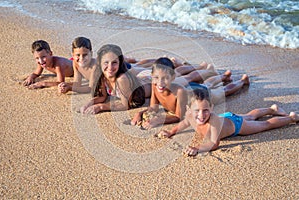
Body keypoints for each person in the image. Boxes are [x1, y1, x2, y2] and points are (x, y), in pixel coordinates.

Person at [157, 87, 298, 156]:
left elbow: (214, 143)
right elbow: (183, 124)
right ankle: (271, 109)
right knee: (250, 115)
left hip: (237, 126)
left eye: (205, 110)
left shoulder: (213, 121)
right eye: (196, 111)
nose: (201, 115)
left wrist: (197, 148)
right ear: (189, 109)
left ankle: (291, 118)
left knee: (264, 125)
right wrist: (171, 132)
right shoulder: (190, 116)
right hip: (227, 117)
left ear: (211, 108)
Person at [80, 44, 145, 114]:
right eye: (106, 62)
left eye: (114, 62)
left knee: (143, 67)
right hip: (139, 77)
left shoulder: (122, 79)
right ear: (100, 63)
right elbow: (103, 96)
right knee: (138, 66)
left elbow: (125, 105)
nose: (110, 67)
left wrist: (101, 107)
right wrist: (89, 104)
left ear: (120, 63)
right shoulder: (103, 75)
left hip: (149, 80)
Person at [131, 57, 188, 129]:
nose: (160, 83)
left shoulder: (179, 92)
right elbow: (154, 107)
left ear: (173, 77)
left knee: (194, 78)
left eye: (165, 78)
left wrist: (159, 120)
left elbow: (178, 117)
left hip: (198, 92)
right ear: (151, 76)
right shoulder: (155, 85)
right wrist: (140, 114)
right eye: (156, 77)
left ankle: (202, 68)